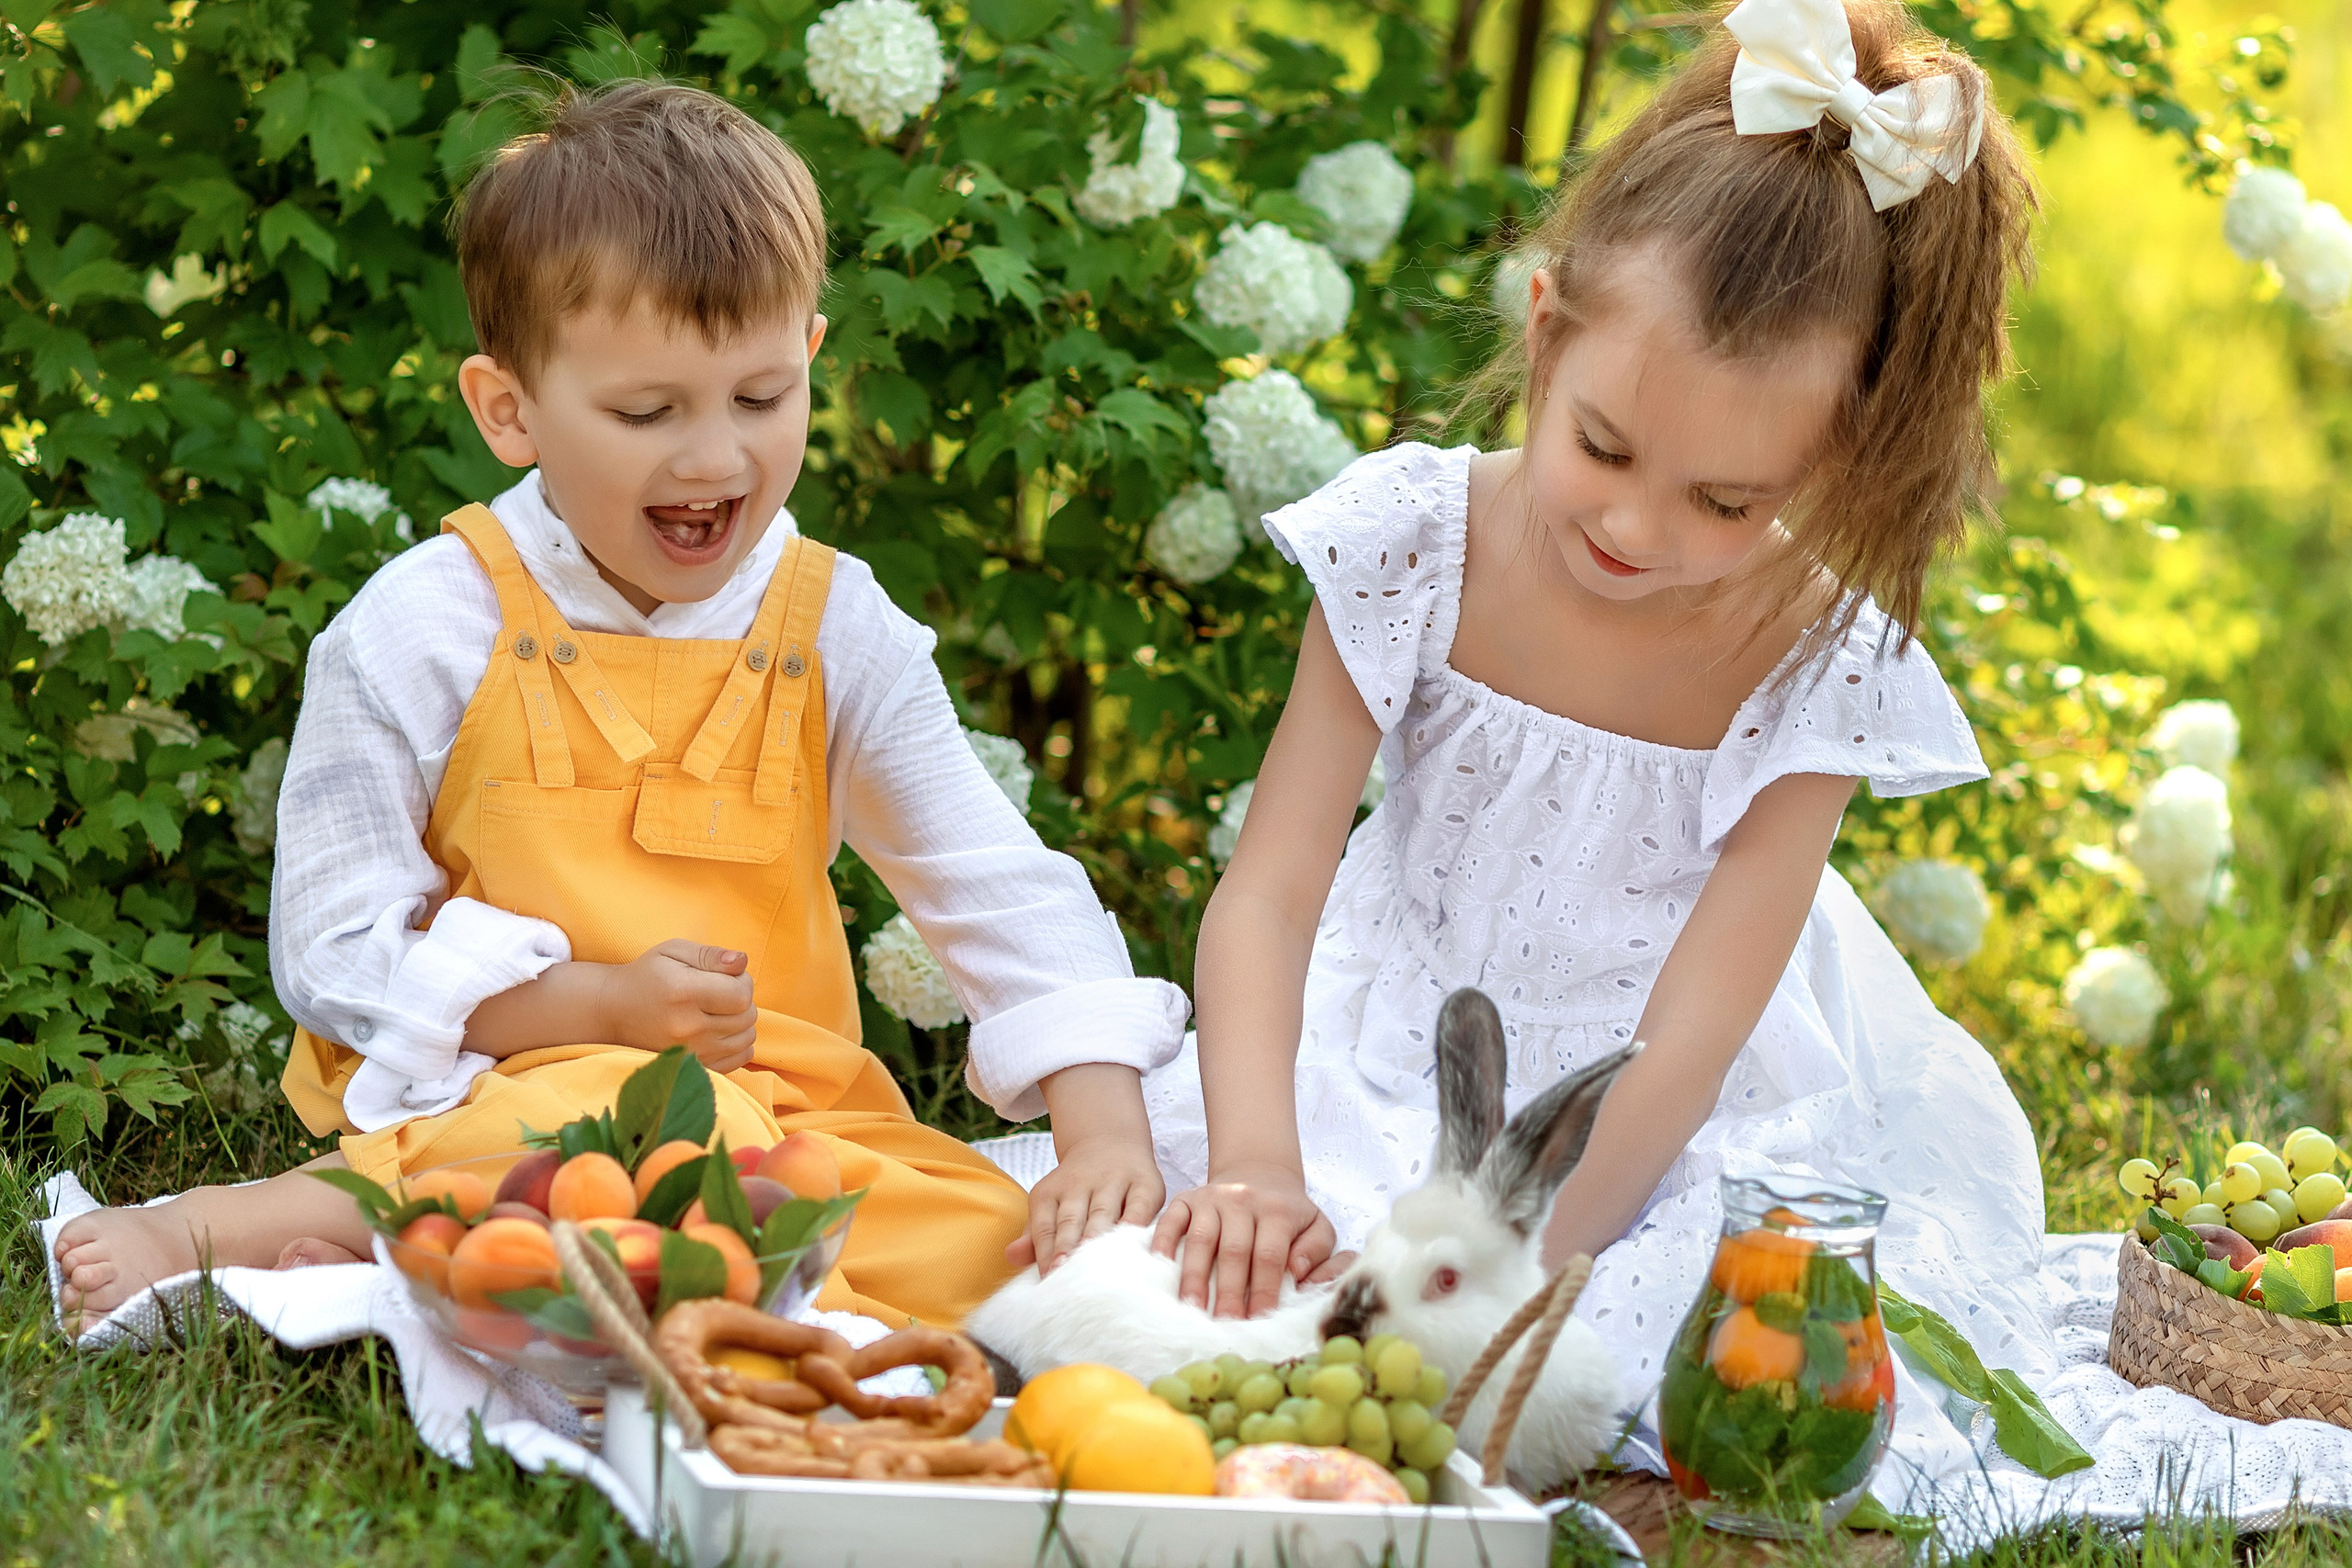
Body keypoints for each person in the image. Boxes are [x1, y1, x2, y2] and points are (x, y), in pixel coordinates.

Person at [53, 81, 1187, 1332]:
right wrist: (593, 1007)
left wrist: (1098, 1135)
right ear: (509, 410)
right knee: (569, 1147)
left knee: (998, 1257)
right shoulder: (425, 625)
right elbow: (334, 946)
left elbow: (993, 882)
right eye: (648, 413)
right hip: (512, 1087)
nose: (715, 458)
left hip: (787, 1123)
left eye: (761, 399)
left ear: (810, 355)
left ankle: (477, 1263)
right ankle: (236, 1225)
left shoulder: (832, 624)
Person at [1141, 0, 2062, 1461]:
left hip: (1665, 1112)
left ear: (1831, 459)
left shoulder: (1811, 658)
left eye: (1729, 502)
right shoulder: (1415, 543)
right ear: (1547, 328)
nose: (1637, 527)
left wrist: (1521, 1269)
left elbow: (1689, 1042)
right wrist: (1255, 1159)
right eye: (1605, 448)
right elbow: (1270, 893)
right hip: (1406, 1028)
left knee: (1668, 1353)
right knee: (1221, 1277)